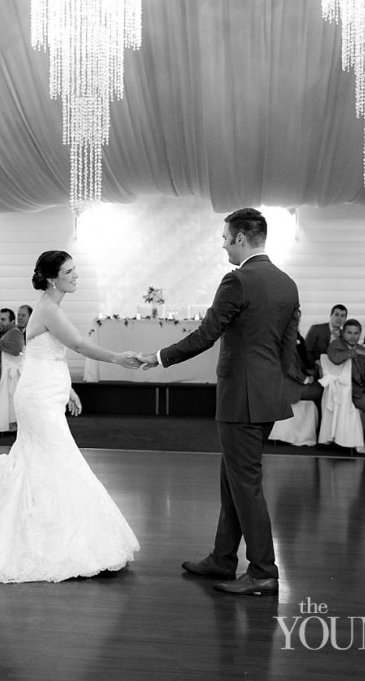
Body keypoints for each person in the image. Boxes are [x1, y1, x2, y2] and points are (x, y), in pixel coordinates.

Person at [0, 250, 141, 583]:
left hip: (44, 394)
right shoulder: (49, 309)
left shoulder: (50, 308)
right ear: (53, 278)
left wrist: (68, 390)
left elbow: (48, 356)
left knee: (46, 462)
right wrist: (119, 359)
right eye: (70, 270)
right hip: (37, 400)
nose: (76, 275)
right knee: (59, 460)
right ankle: (51, 543)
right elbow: (78, 344)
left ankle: (43, 533)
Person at [136, 208, 299, 596]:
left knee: (246, 486)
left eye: (226, 237)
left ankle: (263, 571)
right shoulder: (287, 283)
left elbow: (207, 333)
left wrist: (159, 356)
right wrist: (274, 385)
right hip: (267, 396)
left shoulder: (238, 280)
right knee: (234, 480)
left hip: (241, 397)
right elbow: (287, 347)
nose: (223, 244)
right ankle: (223, 559)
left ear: (242, 238)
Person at [326, 319, 365, 454]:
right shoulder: (336, 344)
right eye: (349, 332)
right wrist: (354, 352)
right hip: (347, 392)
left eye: (356, 333)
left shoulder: (360, 348)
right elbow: (335, 358)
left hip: (363, 389)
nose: (353, 336)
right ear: (343, 333)